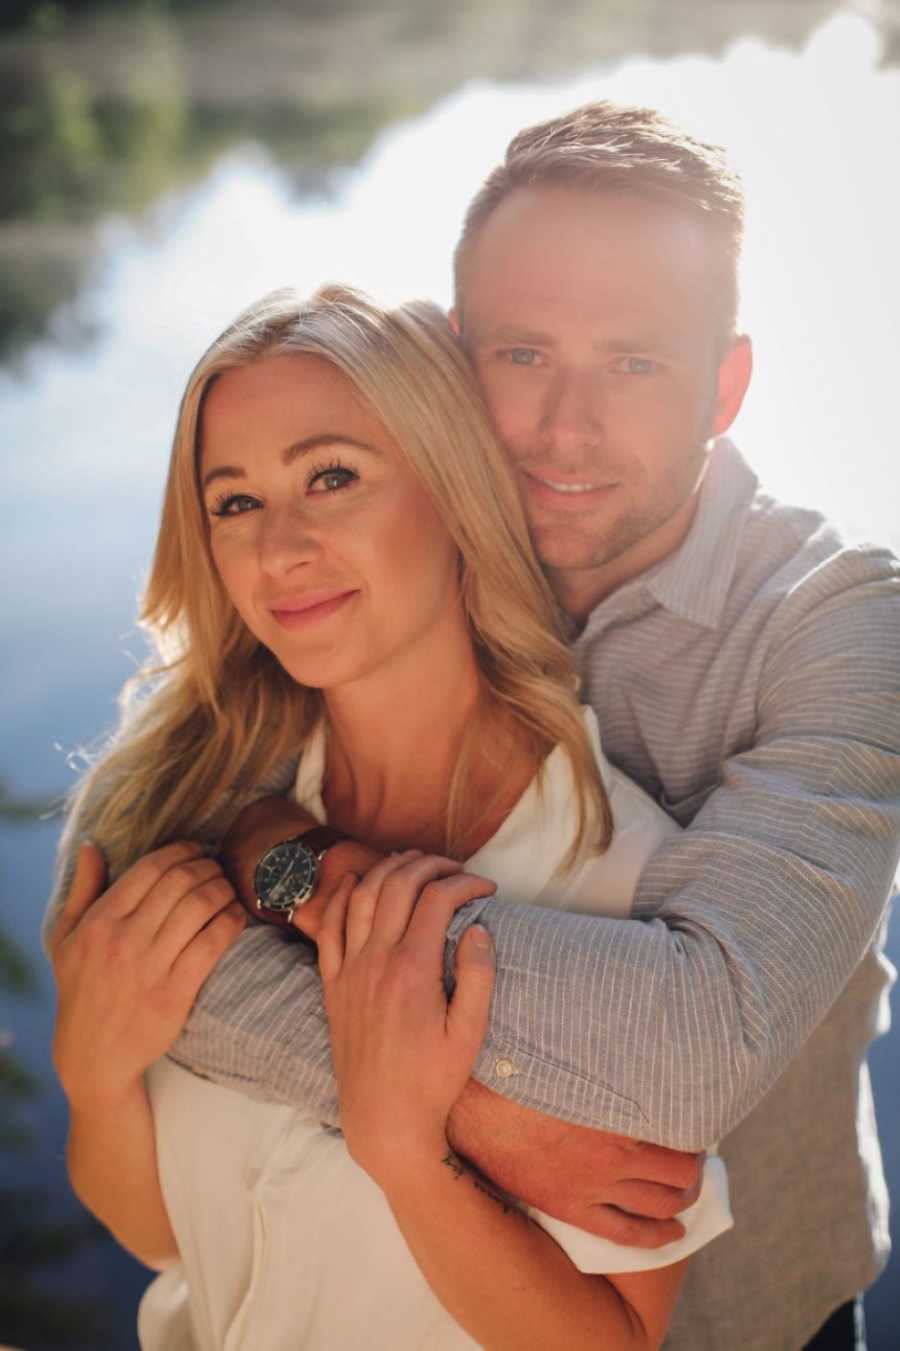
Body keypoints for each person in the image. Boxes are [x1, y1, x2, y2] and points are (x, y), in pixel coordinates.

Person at [48, 102, 900, 1350]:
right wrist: (458, 1112)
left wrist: (326, 936)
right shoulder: (346, 620)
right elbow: (142, 954)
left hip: (761, 1312)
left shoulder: (839, 626)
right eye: (522, 355)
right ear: (455, 364)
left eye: (634, 361)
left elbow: (695, 1042)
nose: (563, 428)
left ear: (727, 384)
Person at [48, 284, 733, 1350]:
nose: (279, 550)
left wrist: (408, 1152)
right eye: (234, 503)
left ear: (453, 488)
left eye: (332, 477)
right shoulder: (196, 811)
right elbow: (164, 1242)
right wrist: (91, 1077)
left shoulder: (626, 880)